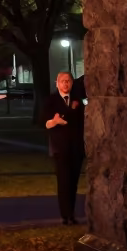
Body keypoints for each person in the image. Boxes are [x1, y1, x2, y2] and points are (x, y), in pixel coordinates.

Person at [45, 71, 85, 225]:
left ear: (72, 83)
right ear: (57, 83)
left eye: (68, 81)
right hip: (60, 149)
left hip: (76, 148)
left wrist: (72, 111)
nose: (65, 84)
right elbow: (46, 122)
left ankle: (71, 214)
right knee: (63, 182)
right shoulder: (51, 100)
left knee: (73, 183)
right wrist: (55, 121)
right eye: (62, 81)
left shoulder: (78, 101)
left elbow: (82, 116)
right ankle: (64, 215)